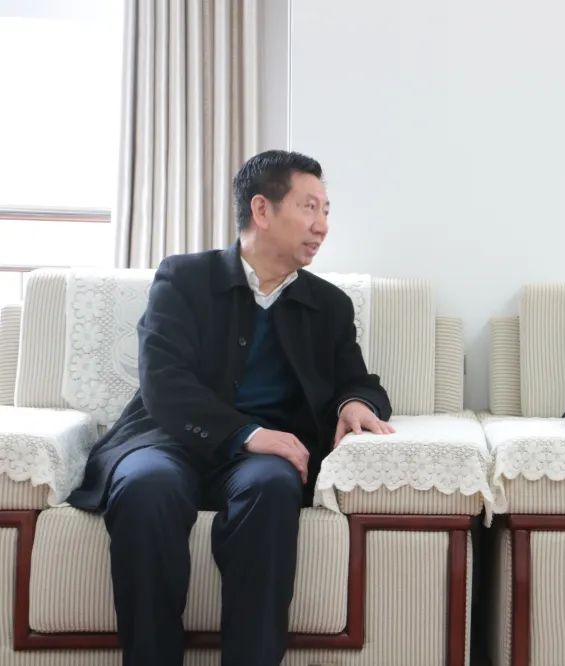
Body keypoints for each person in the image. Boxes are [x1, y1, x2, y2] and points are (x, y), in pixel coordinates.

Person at [68, 149, 395, 666]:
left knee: (273, 486)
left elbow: (358, 380)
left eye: (326, 210)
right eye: (309, 207)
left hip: (262, 460)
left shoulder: (329, 306)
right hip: (167, 439)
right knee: (146, 487)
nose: (322, 225)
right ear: (262, 210)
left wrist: (354, 403)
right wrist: (246, 434)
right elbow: (163, 382)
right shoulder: (183, 278)